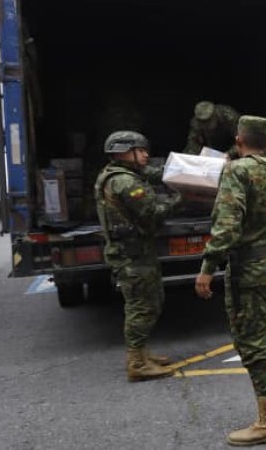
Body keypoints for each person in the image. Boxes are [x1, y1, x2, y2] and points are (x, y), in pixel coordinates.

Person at [195, 116, 266, 446]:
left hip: (249, 270)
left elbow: (228, 226)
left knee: (253, 340)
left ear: (238, 140)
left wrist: (207, 267)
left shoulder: (237, 171)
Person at [95, 130, 182, 382]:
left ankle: (142, 354)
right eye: (141, 150)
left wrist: (184, 171)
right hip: (132, 256)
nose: (146, 155)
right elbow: (153, 212)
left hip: (135, 252)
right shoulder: (126, 182)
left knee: (150, 301)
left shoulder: (117, 173)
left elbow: (155, 173)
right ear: (123, 152)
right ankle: (137, 363)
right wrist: (181, 199)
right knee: (141, 307)